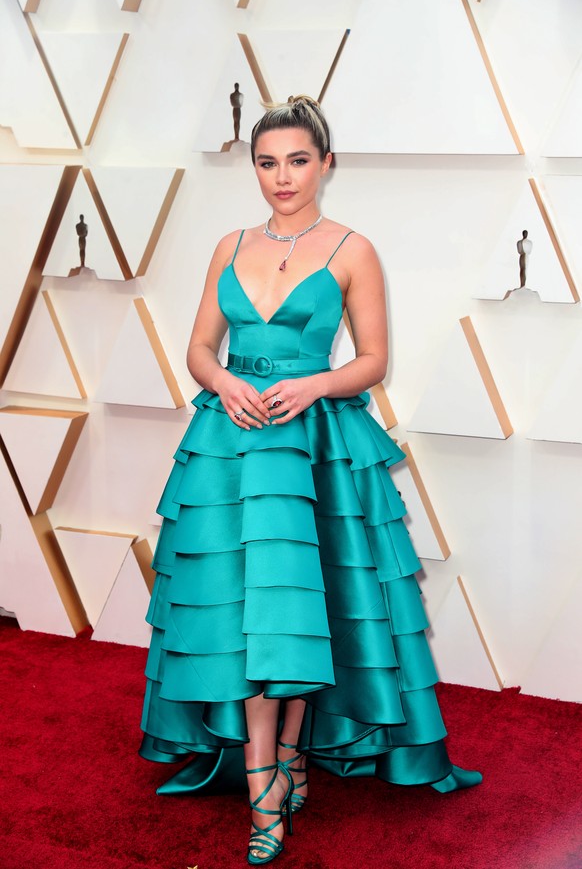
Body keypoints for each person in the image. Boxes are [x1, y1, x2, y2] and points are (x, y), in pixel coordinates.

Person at [139, 95, 482, 866]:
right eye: (267, 162)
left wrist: (315, 386)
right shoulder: (228, 243)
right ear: (253, 167)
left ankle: (283, 763)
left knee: (298, 612)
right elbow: (199, 346)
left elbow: (372, 360)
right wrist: (222, 383)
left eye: (298, 160)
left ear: (327, 162)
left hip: (311, 445)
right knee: (246, 613)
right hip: (232, 445)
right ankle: (272, 774)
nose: (282, 177)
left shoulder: (353, 249)